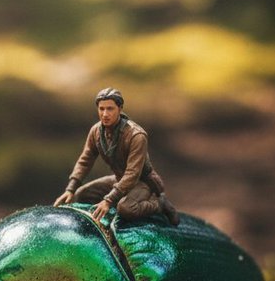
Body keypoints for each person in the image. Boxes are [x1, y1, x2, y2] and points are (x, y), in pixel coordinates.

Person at [53, 87, 180, 225]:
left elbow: (133, 173)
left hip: (142, 182)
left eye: (110, 109)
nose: (105, 114)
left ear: (120, 109)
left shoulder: (136, 135)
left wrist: (108, 200)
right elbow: (85, 160)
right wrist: (70, 189)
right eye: (101, 109)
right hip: (119, 179)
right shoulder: (96, 131)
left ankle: (159, 204)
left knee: (125, 208)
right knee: (80, 195)